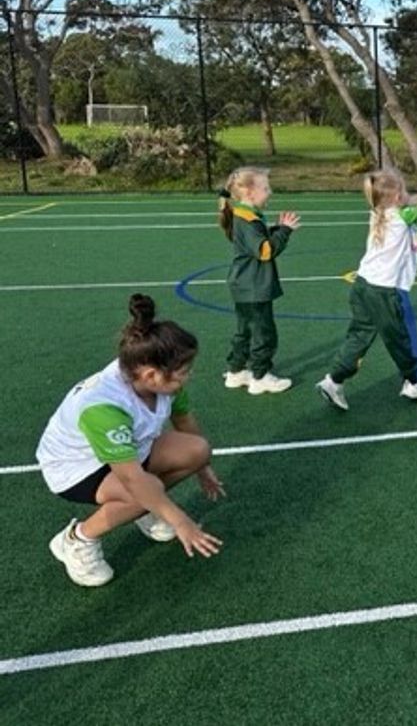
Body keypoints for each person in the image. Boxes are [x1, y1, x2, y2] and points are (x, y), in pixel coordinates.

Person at [36, 294, 224, 588]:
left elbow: (184, 420)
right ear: (151, 374)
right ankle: (77, 539)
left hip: (127, 450)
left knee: (197, 451)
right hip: (76, 467)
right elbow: (134, 479)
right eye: (184, 372)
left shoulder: (156, 378)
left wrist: (204, 468)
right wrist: (181, 521)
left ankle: (147, 509)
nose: (188, 376)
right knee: (141, 492)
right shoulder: (104, 407)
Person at [316, 171, 417, 411]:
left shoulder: (378, 212)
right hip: (382, 292)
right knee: (398, 339)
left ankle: (333, 380)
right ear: (398, 196)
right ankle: (412, 382)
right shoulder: (402, 218)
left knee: (359, 336)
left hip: (362, 286)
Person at [218, 167, 301, 395]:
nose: (270, 191)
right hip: (254, 286)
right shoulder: (248, 220)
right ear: (249, 192)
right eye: (265, 188)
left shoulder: (243, 215)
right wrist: (284, 232)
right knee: (263, 333)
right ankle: (260, 376)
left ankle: (236, 371)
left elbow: (255, 240)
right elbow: (264, 251)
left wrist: (277, 228)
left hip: (244, 285)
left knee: (244, 330)